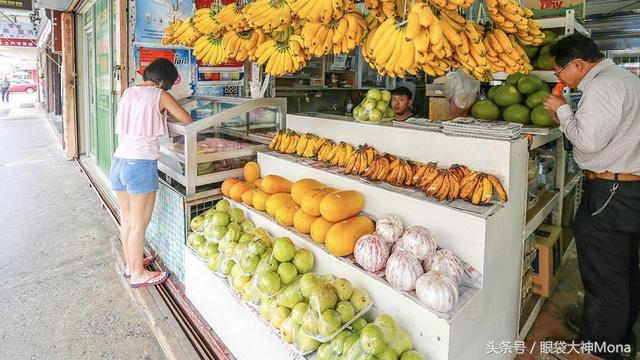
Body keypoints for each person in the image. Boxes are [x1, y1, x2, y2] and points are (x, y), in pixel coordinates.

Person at [543, 33, 640, 360]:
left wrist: (561, 111)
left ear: (578, 64)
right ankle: (620, 340)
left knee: (604, 276)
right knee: (623, 271)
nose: (560, 79)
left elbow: (587, 141)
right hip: (627, 189)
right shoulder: (626, 80)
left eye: (559, 72)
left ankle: (597, 352)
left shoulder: (602, 86)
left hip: (611, 192)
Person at [111, 58, 192, 288]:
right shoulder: (160, 95)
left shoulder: (128, 92)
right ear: (165, 81)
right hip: (140, 165)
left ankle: (131, 265)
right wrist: (166, 110)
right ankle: (137, 274)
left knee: (127, 220)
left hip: (119, 161)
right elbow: (187, 119)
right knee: (138, 223)